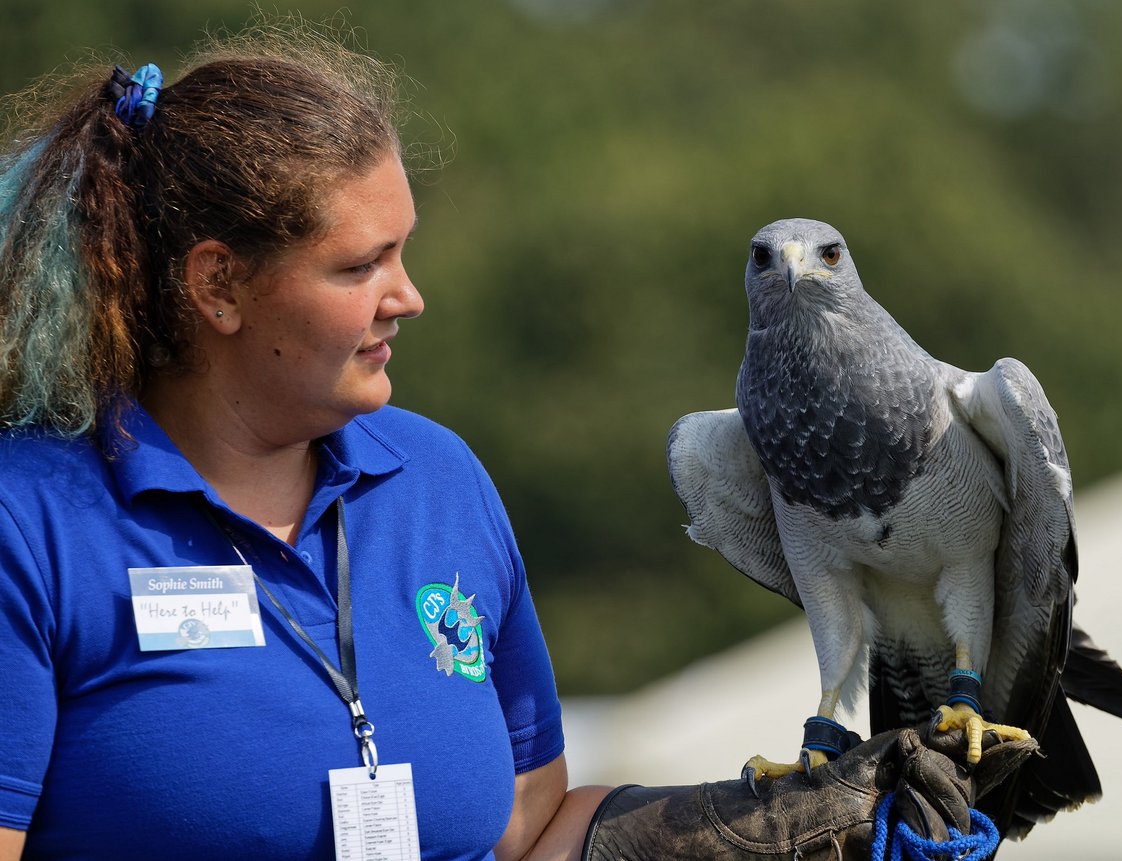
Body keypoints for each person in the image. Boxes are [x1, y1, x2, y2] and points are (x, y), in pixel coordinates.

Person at [0, 20, 1034, 861]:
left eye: (405, 251)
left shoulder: (437, 481)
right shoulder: (32, 521)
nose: (409, 295)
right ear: (219, 283)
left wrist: (761, 828)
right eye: (361, 267)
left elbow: (523, 830)